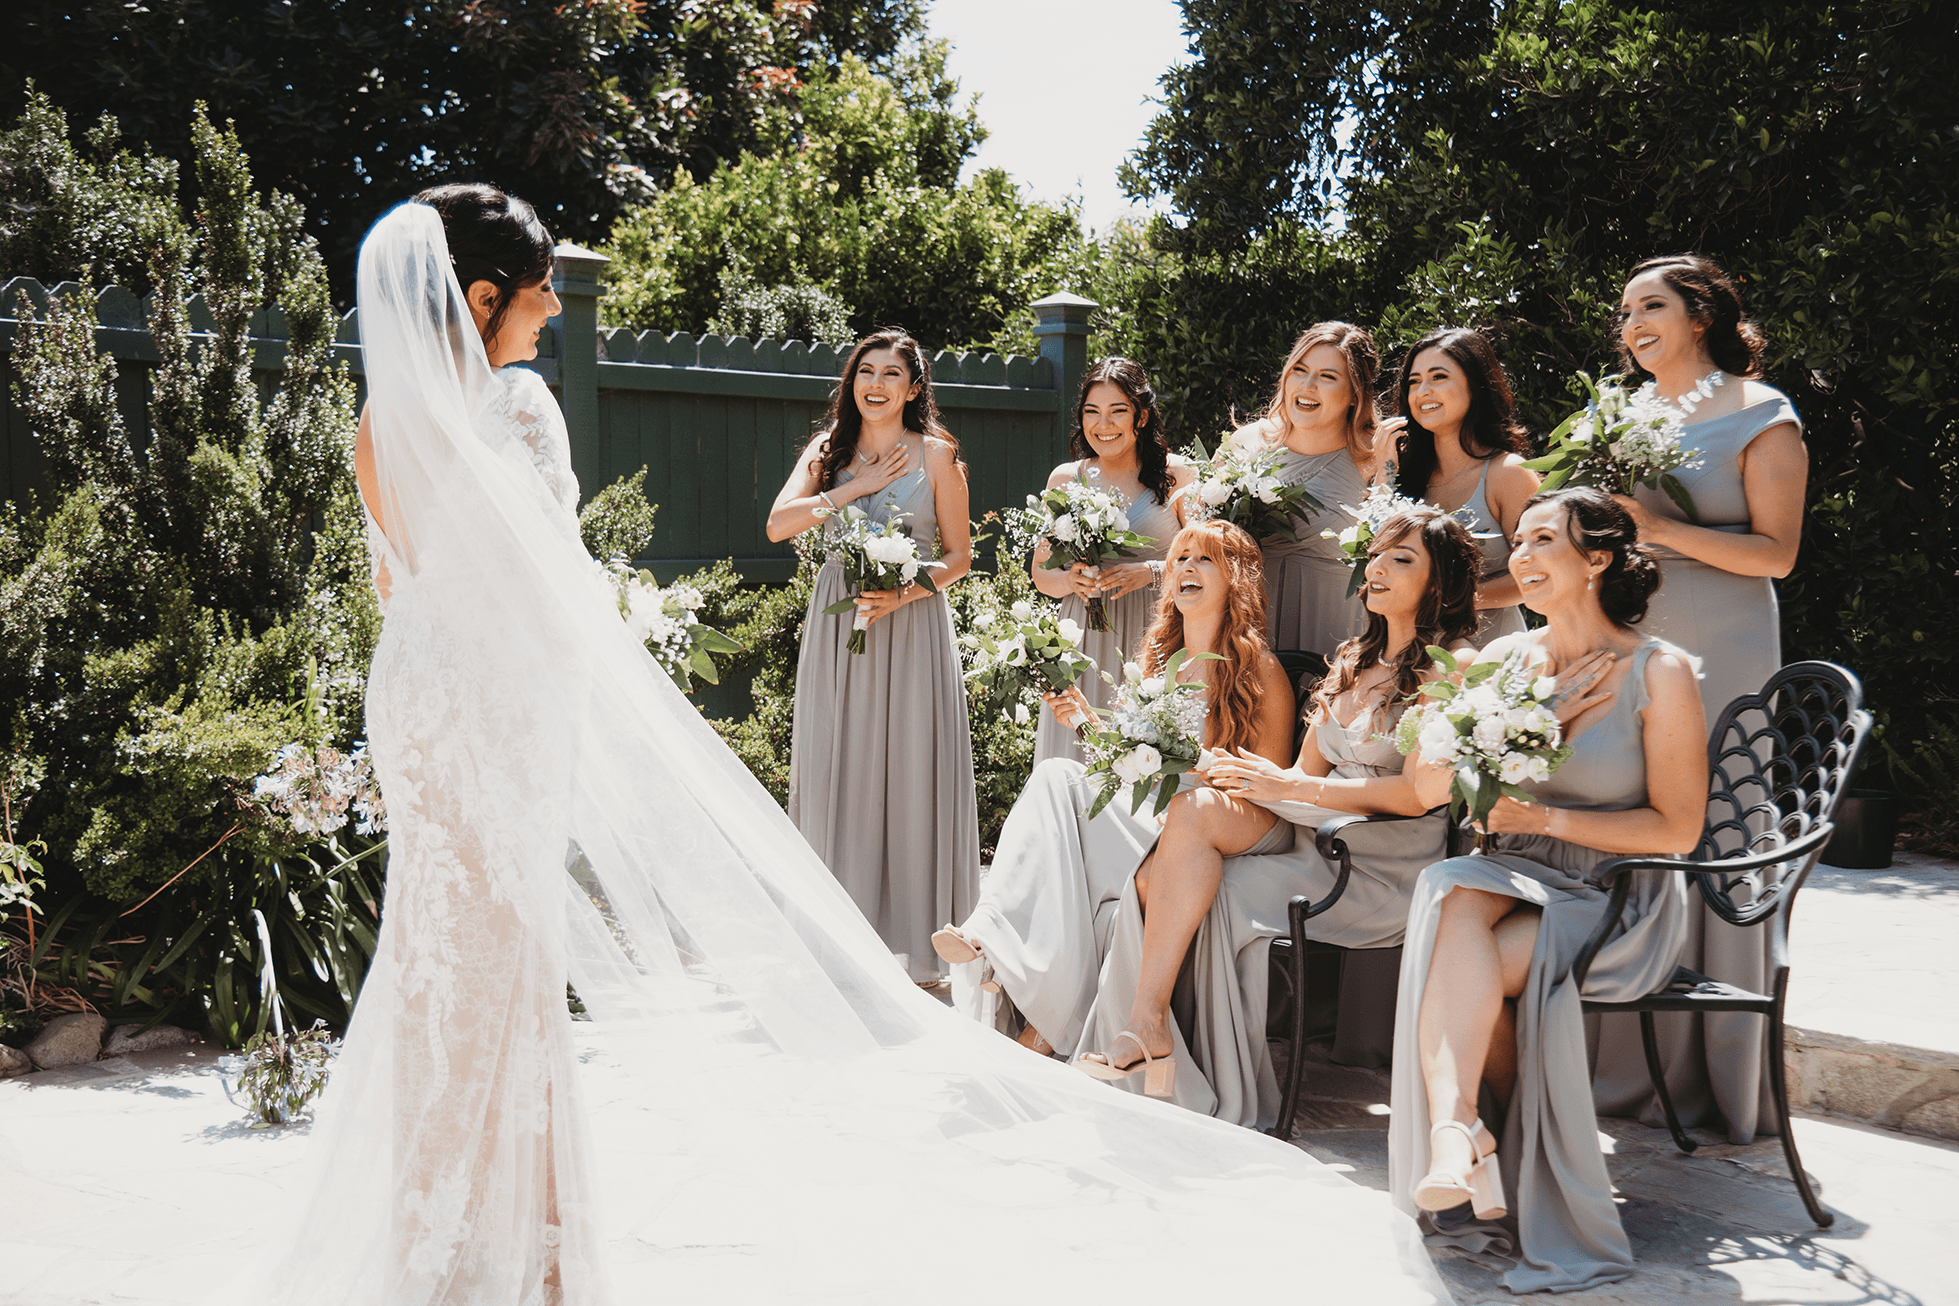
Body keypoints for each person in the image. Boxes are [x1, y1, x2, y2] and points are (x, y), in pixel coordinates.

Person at [246, 193, 1457, 1306]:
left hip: (420, 697)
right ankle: (530, 1247)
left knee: (443, 947)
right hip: (498, 702)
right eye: (540, 287)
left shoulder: (383, 419)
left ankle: (448, 1233)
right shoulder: (518, 407)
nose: (555, 306)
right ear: (480, 299)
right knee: (501, 955)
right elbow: (541, 586)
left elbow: (405, 583)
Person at [1075, 506, 1496, 1126]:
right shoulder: (1353, 659)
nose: (1376, 568)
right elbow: (1302, 774)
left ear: (1441, 580)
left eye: (1400, 558)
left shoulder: (1453, 667)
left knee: (1198, 878)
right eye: (1375, 556)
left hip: (1382, 864)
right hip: (1313, 837)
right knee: (1192, 829)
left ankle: (1181, 1061)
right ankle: (1150, 1032)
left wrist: (1290, 788)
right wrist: (1248, 777)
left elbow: (1416, 796)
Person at [1388, 487, 1707, 1294]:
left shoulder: (1660, 672)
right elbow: (1436, 788)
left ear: (1596, 558)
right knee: (1451, 889)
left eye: (1542, 541)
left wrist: (1546, 817)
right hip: (1509, 874)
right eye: (1517, 543)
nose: (1520, 558)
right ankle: (1458, 1131)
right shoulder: (1504, 660)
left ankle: (1476, 1141)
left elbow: (1677, 829)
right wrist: (1544, 717)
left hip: (1614, 893)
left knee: (1459, 946)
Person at [932, 520, 1294, 1062]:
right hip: (1149, 806)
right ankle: (989, 932)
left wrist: (1192, 770)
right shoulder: (1157, 661)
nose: (1187, 567)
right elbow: (1132, 762)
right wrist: (1086, 721)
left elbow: (1268, 784)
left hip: (1207, 817)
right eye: (1180, 558)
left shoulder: (1258, 669)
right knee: (1056, 775)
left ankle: (1043, 1022)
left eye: (1205, 558)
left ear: (1235, 578)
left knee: (1076, 854)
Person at [1601, 253, 1809, 1142]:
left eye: (1649, 306)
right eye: (1624, 313)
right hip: (1633, 634)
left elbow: (1776, 555)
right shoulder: (1622, 416)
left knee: (1716, 811)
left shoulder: (1762, 412)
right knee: (1630, 800)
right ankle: (1620, 1053)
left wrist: (1658, 528)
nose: (1632, 325)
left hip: (1724, 638)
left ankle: (1717, 1069)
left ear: (1701, 316)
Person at [766, 329, 980, 983]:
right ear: (851, 380)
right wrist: (851, 487)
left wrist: (904, 593)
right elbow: (778, 524)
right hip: (840, 627)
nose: (877, 384)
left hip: (910, 627)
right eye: (866, 371)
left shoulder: (937, 455)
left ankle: (920, 948)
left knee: (911, 768)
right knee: (838, 765)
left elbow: (960, 558)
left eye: (892, 374)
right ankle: (835, 942)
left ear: (913, 389)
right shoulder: (826, 450)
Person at [1029, 357, 1194, 766]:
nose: (1103, 424)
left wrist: (1151, 573)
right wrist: (1071, 581)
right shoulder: (1066, 479)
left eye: (1117, 411)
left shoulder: (1176, 475)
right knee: (1077, 758)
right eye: (1092, 412)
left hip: (1156, 631)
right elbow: (1042, 575)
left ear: (1141, 416)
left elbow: (1212, 559)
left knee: (1149, 756)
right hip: (1083, 637)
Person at [1229, 322, 1381, 656]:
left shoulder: (1377, 456)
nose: (1307, 386)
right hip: (1250, 632)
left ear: (1355, 393)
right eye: (1299, 370)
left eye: (1327, 377)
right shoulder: (1245, 444)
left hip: (1339, 632)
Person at [1383, 326, 1541, 645]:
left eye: (1438, 377)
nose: (1423, 391)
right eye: (1414, 381)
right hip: (1410, 649)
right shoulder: (1404, 475)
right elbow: (1376, 557)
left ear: (1476, 385)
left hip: (1491, 650)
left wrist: (1448, 601)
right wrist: (1383, 467)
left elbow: (1538, 572)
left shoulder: (1508, 473)